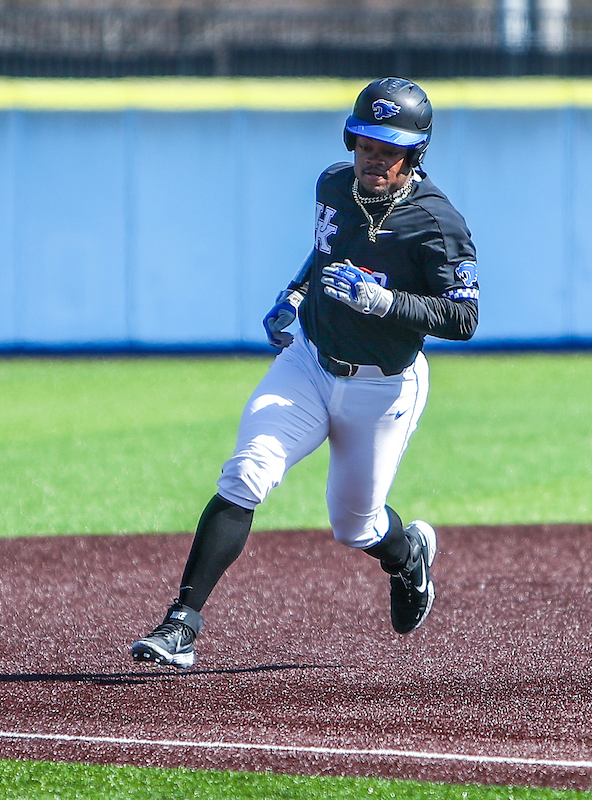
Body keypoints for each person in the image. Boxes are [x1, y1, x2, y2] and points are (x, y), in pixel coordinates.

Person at [130, 77, 479, 668]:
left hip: (383, 383)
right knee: (247, 471)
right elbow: (323, 252)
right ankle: (182, 623)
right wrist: (294, 294)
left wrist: (384, 303)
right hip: (310, 363)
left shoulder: (437, 223)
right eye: (366, 143)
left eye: (388, 149)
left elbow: (464, 316)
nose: (374, 158)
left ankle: (408, 554)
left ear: (414, 154)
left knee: (355, 524)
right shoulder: (333, 185)